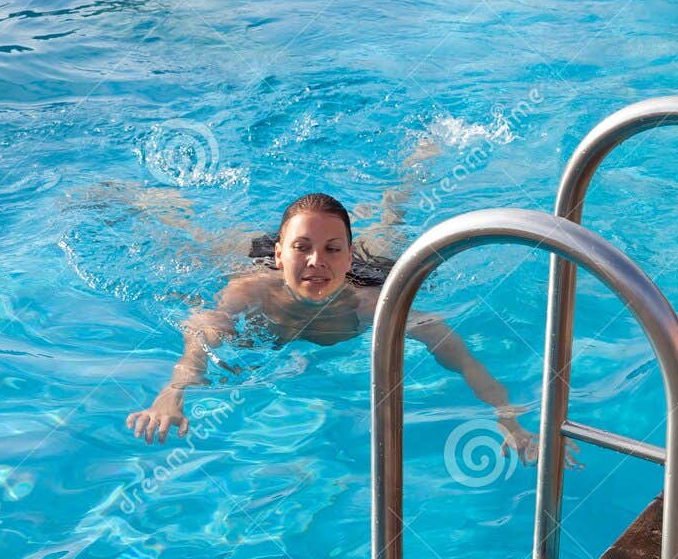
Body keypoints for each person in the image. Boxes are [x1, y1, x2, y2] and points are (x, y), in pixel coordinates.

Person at [124, 188, 544, 460]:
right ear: (279, 252)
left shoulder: (368, 303)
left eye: (331, 249)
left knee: (387, 231)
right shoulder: (250, 291)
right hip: (267, 273)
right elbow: (204, 331)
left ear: (346, 256)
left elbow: (455, 352)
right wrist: (173, 391)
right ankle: (153, 201)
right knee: (193, 244)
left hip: (368, 272)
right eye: (301, 248)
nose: (316, 261)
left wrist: (507, 415)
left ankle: (400, 192)